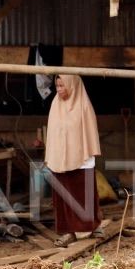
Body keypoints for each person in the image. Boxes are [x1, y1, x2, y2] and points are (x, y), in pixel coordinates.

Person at [45, 74, 103, 246]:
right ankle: (68, 231)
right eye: (57, 86)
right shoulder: (55, 105)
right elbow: (54, 134)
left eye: (62, 86)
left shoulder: (83, 106)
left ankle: (93, 226)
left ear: (72, 85)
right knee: (63, 199)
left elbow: (89, 133)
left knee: (84, 195)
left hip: (80, 159)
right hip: (60, 161)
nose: (59, 90)